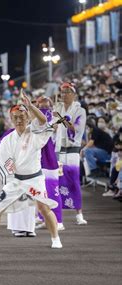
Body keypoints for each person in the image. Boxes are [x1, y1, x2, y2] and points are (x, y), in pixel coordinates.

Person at [0, 93, 62, 249]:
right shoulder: (8, 139)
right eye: (15, 117)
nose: (19, 120)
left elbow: (42, 120)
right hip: (17, 180)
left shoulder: (34, 130)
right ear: (11, 119)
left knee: (44, 208)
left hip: (34, 178)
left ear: (28, 118)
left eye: (22, 117)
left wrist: (31, 105)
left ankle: (55, 238)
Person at [54, 83, 88, 225]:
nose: (64, 94)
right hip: (59, 150)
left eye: (68, 92)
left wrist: (60, 117)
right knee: (58, 182)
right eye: (62, 92)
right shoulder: (58, 108)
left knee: (74, 181)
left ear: (74, 94)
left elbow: (76, 130)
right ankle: (57, 216)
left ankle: (79, 214)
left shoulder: (80, 110)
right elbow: (53, 127)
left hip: (73, 149)